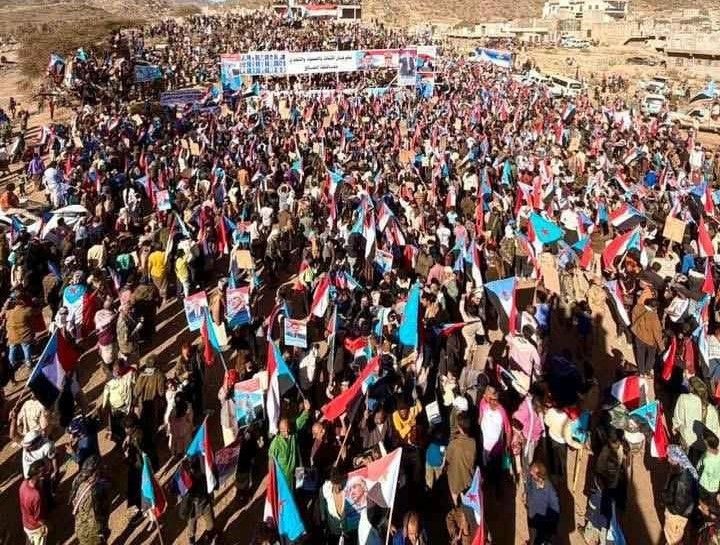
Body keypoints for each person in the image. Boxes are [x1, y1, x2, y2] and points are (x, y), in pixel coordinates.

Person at [662, 445, 699, 545]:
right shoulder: (685, 470)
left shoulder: (682, 481)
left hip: (676, 516)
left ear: (677, 460)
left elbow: (679, 506)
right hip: (683, 512)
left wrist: (668, 508)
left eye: (670, 458)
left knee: (673, 536)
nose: (668, 460)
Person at [70, 455, 111, 545]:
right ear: (96, 471)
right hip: (93, 532)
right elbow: (102, 513)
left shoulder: (78, 481)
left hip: (80, 528)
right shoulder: (97, 489)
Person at [268, 400, 310, 483]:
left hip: (297, 465)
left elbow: (299, 421)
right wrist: (273, 479)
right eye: (283, 430)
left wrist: (306, 410)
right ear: (279, 429)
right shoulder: (275, 443)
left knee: (300, 484)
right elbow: (271, 461)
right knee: (288, 490)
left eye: (288, 429)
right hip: (284, 475)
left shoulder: (292, 432)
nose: (287, 433)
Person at [525, 462, 560, 545]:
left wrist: (550, 530)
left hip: (542, 522)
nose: (530, 472)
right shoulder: (532, 479)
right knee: (532, 535)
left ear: (539, 476)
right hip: (532, 516)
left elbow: (555, 513)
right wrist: (526, 494)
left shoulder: (550, 492)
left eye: (533, 472)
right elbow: (529, 486)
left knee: (540, 539)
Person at [445, 414, 476, 504]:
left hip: (455, 477)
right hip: (467, 478)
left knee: (454, 494)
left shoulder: (453, 444)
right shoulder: (473, 442)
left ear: (459, 427)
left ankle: (455, 505)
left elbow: (448, 459)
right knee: (465, 496)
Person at [19, 461, 48, 545]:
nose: (46, 472)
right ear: (38, 474)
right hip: (36, 527)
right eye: (43, 471)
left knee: (29, 542)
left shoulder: (23, 484)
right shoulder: (36, 495)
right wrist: (46, 525)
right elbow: (38, 518)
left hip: (26, 523)